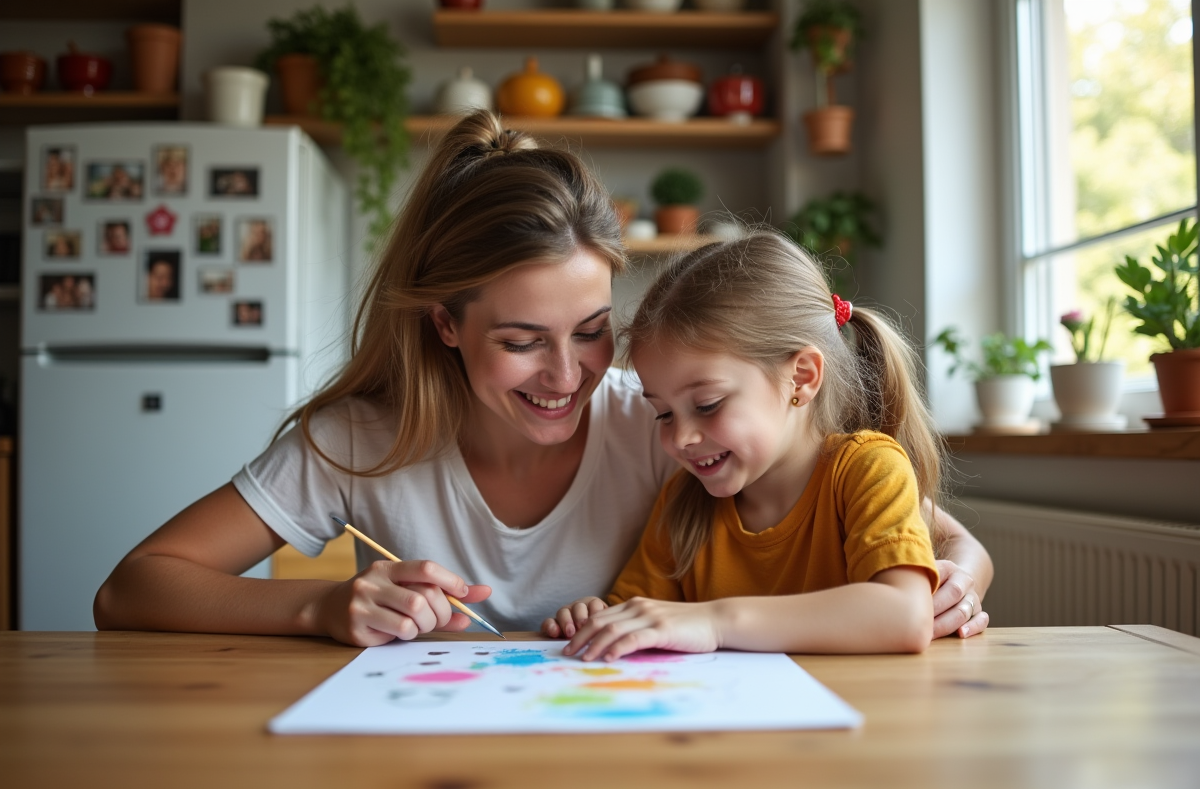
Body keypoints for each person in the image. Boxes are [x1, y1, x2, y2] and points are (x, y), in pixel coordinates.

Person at [93, 110, 991, 645]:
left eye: (595, 332)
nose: (570, 375)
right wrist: (322, 607)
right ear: (445, 323)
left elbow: (926, 534)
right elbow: (131, 587)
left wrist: (965, 573)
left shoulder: (658, 416)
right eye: (524, 340)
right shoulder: (361, 439)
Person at [543, 233, 982, 661]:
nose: (680, 438)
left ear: (803, 377)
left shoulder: (868, 469)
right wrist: (599, 615)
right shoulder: (682, 505)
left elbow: (903, 616)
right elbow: (642, 616)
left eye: (707, 404)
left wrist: (714, 621)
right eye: (664, 413)